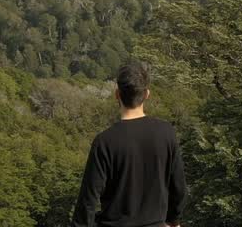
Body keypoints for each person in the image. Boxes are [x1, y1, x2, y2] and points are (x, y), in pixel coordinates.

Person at [72, 61, 188, 227]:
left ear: (117, 94)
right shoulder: (166, 132)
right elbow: (179, 188)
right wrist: (173, 220)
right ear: (147, 94)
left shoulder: (104, 142)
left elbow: (87, 201)